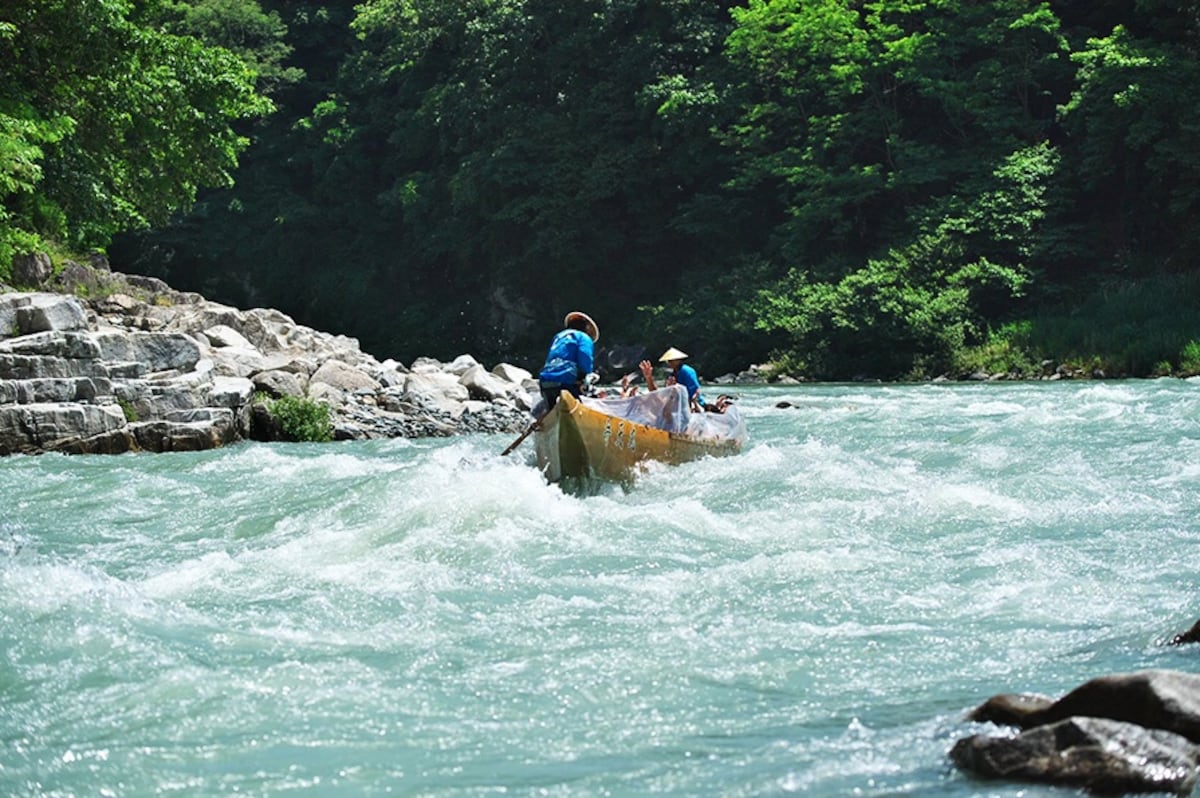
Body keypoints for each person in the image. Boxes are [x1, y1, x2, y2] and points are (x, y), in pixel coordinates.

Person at [538, 311, 600, 412]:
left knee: (552, 411)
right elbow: (585, 359)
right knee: (576, 410)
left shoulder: (558, 337)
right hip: (566, 380)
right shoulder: (583, 337)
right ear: (586, 328)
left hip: (545, 380)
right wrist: (586, 375)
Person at [639, 347, 705, 413]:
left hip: (694, 404)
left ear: (679, 360)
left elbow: (694, 390)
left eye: (672, 360)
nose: (669, 363)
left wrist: (690, 406)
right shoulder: (674, 373)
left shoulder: (687, 371)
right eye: (668, 361)